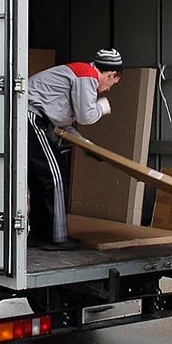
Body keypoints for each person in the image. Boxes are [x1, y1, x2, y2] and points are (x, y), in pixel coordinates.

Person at [26, 48, 123, 251]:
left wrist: (86, 145)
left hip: (33, 117)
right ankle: (56, 238)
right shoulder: (86, 75)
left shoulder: (76, 76)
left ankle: (39, 235)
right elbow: (86, 116)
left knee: (41, 179)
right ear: (112, 74)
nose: (106, 90)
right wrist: (103, 107)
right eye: (112, 84)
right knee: (54, 178)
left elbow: (63, 124)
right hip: (32, 116)